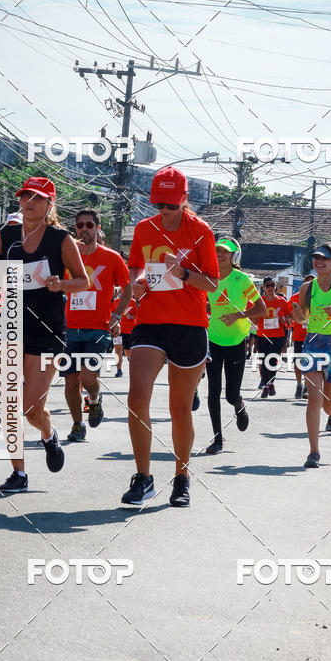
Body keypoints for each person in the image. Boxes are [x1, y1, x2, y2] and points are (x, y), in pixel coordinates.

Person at [0, 177, 89, 491]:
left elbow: (83, 281)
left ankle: (48, 434)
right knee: (7, 403)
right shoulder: (6, 235)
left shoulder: (61, 239)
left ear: (49, 204)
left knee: (30, 408)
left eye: (37, 198)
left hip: (47, 331)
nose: (29, 202)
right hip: (8, 324)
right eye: (25, 196)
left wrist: (60, 284)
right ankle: (19, 473)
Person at [122, 166, 219, 507]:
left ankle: (181, 477)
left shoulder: (201, 232)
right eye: (159, 204)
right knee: (136, 399)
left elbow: (212, 283)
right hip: (150, 321)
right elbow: (136, 268)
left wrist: (185, 273)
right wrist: (134, 285)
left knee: (179, 409)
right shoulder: (143, 229)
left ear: (184, 200)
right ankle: (143, 477)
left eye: (170, 205)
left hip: (189, 326)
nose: (163, 211)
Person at [61, 207, 132, 442]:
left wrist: (118, 315)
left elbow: (127, 288)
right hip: (70, 327)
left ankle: (94, 399)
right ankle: (77, 425)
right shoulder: (68, 256)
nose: (84, 229)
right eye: (79, 225)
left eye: (89, 225)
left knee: (88, 377)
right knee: (71, 381)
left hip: (98, 328)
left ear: (97, 228)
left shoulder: (111, 257)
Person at [205, 237, 265, 455]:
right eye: (218, 250)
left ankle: (239, 405)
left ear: (234, 256)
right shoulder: (208, 278)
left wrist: (239, 315)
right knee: (213, 392)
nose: (221, 254)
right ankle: (217, 439)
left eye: (226, 252)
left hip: (237, 342)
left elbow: (262, 309)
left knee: (230, 394)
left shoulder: (241, 279)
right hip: (212, 341)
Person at [290, 244, 331, 469]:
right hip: (313, 345)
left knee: (327, 406)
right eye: (316, 258)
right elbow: (302, 317)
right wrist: (297, 316)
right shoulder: (307, 288)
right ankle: (313, 451)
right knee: (313, 399)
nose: (319, 261)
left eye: (324, 258)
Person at [256, 277, 291, 398]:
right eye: (268, 286)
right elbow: (253, 316)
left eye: (272, 285)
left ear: (275, 287)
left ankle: (270, 383)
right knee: (264, 360)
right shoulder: (260, 301)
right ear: (264, 288)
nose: (270, 288)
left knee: (272, 359)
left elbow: (289, 314)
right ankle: (266, 385)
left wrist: (284, 319)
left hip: (277, 335)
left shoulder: (281, 301)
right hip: (262, 334)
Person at [290, 275, 314, 399]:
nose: (309, 285)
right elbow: (289, 314)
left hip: (313, 335)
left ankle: (306, 386)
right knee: (298, 361)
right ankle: (299, 384)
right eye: (307, 282)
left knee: (310, 362)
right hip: (299, 335)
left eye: (312, 282)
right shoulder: (295, 298)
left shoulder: (317, 297)